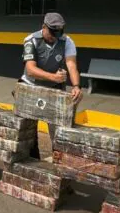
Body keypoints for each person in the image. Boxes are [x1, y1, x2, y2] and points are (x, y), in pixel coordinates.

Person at [18, 12, 83, 160]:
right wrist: (52, 76)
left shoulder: (67, 41)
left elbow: (71, 64)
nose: (55, 37)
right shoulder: (31, 40)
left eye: (58, 33)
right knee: (29, 130)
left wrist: (76, 86)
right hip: (31, 88)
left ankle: (58, 161)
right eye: (52, 32)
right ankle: (31, 161)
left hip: (54, 89)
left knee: (58, 129)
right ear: (43, 27)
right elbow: (30, 69)